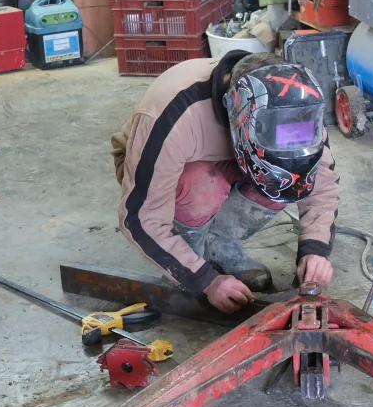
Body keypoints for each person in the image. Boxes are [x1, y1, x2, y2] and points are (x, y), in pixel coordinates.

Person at [111, 50, 340, 313]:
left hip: (235, 157)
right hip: (156, 168)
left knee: (285, 176)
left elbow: (321, 183)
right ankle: (191, 258)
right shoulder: (176, 111)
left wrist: (314, 250)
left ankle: (219, 245)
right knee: (200, 184)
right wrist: (203, 280)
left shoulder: (295, 103)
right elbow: (141, 217)